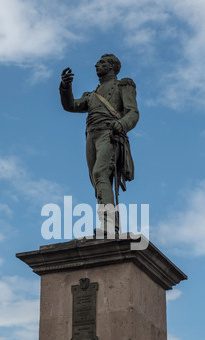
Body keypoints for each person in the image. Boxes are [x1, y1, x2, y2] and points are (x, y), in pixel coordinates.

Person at [59, 54, 139, 236]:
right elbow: (71, 105)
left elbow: (133, 113)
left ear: (112, 66)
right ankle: (108, 222)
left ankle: (109, 225)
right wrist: (66, 86)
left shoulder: (123, 85)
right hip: (91, 136)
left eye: (102, 63)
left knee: (100, 173)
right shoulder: (92, 95)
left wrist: (122, 124)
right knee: (97, 181)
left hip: (109, 134)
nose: (97, 65)